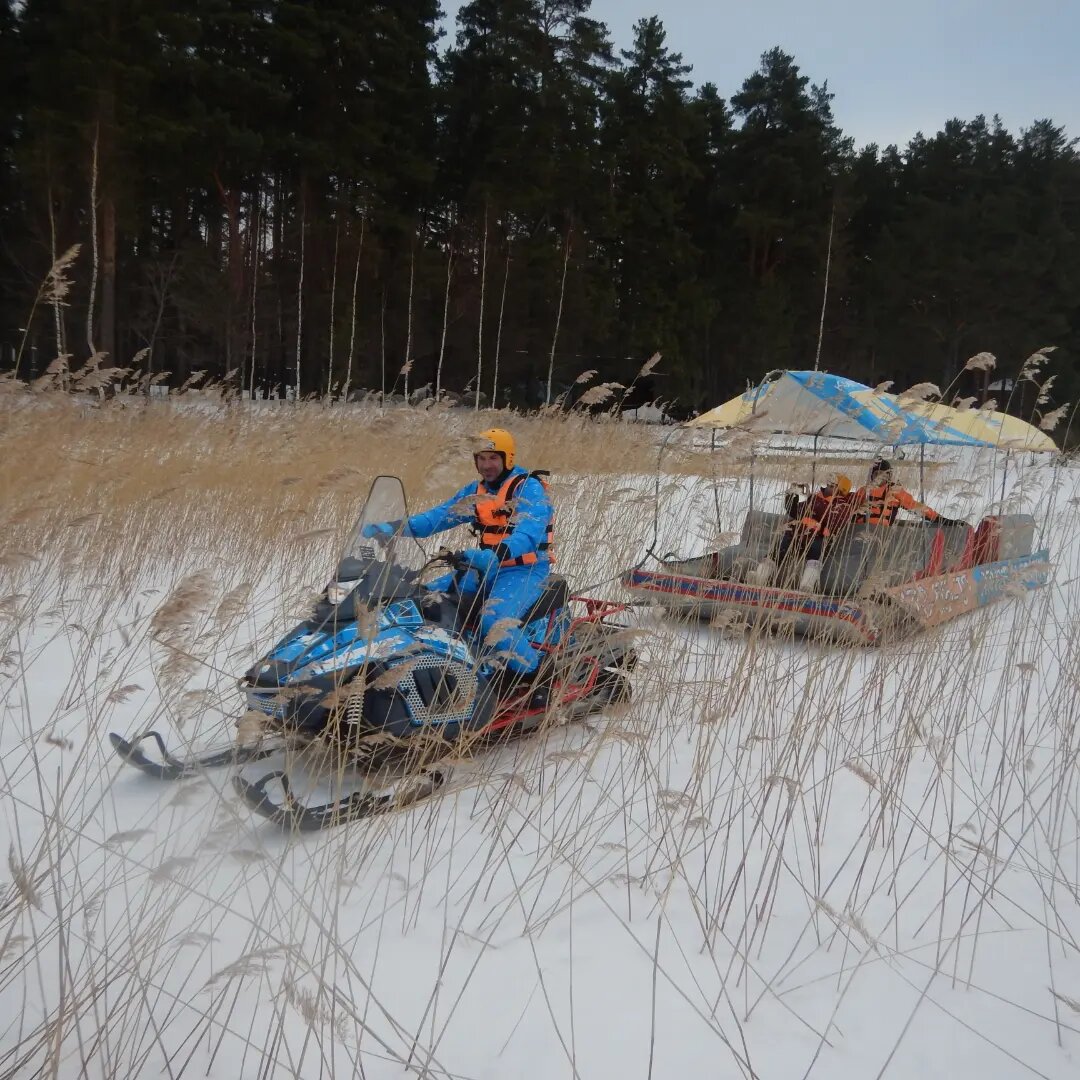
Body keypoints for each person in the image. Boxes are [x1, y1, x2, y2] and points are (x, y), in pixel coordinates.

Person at [362, 428, 555, 683]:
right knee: (424, 600)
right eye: (481, 458)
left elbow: (530, 531)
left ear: (508, 458)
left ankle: (537, 678)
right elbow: (437, 517)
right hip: (483, 567)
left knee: (494, 621)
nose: (486, 465)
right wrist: (394, 527)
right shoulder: (476, 492)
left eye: (493, 458)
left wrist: (498, 553)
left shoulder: (528, 488)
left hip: (524, 570)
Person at [751, 473, 855, 590]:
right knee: (777, 551)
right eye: (828, 484)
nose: (827, 487)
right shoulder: (815, 498)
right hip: (797, 535)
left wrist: (816, 522)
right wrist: (792, 494)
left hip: (818, 538)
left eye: (832, 485)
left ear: (840, 490)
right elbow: (795, 512)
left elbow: (835, 525)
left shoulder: (843, 506)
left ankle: (807, 585)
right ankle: (759, 577)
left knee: (816, 554)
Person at [852, 459, 964, 526]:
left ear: (889, 476)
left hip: (882, 531)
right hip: (859, 529)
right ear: (872, 476)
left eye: (884, 475)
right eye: (877, 474)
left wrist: (941, 520)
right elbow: (851, 509)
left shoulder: (894, 491)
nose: (880, 478)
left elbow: (915, 506)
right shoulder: (863, 491)